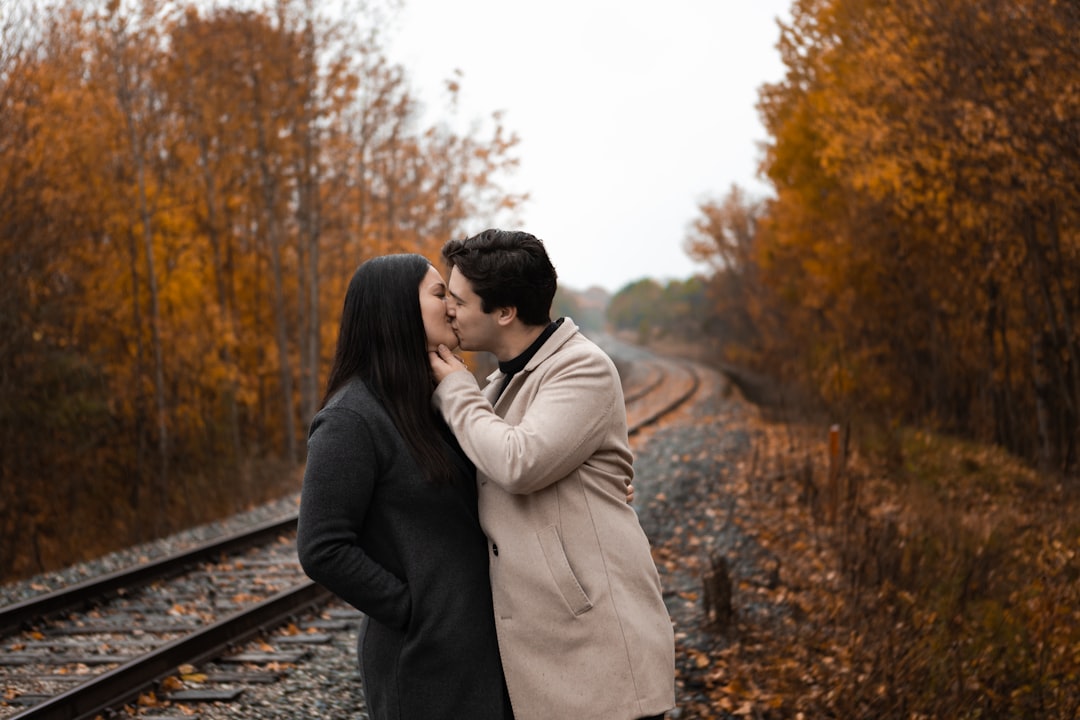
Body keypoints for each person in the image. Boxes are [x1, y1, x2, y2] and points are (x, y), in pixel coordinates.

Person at [429, 229, 676, 720]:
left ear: (504, 312)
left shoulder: (581, 367)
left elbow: (518, 464)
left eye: (458, 300)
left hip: (597, 644)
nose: (449, 310)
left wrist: (456, 387)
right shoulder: (503, 381)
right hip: (552, 645)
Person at [296, 254, 514, 720]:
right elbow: (322, 546)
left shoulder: (434, 402)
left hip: (481, 650)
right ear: (396, 309)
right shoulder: (351, 419)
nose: (453, 307)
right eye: (440, 295)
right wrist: (414, 609)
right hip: (423, 661)